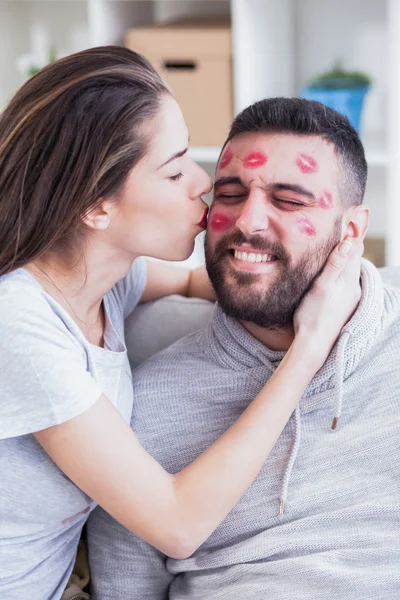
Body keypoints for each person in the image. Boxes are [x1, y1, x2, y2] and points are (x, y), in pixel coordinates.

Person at [0, 46, 360, 600]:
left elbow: (204, 282)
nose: (203, 184)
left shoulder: (102, 278)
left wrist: (313, 267)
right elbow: (178, 524)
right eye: (173, 171)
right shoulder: (21, 325)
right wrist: (309, 346)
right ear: (96, 206)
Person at [87, 97, 400, 599]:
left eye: (290, 200)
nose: (248, 221)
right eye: (230, 193)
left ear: (353, 230)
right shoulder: (141, 411)